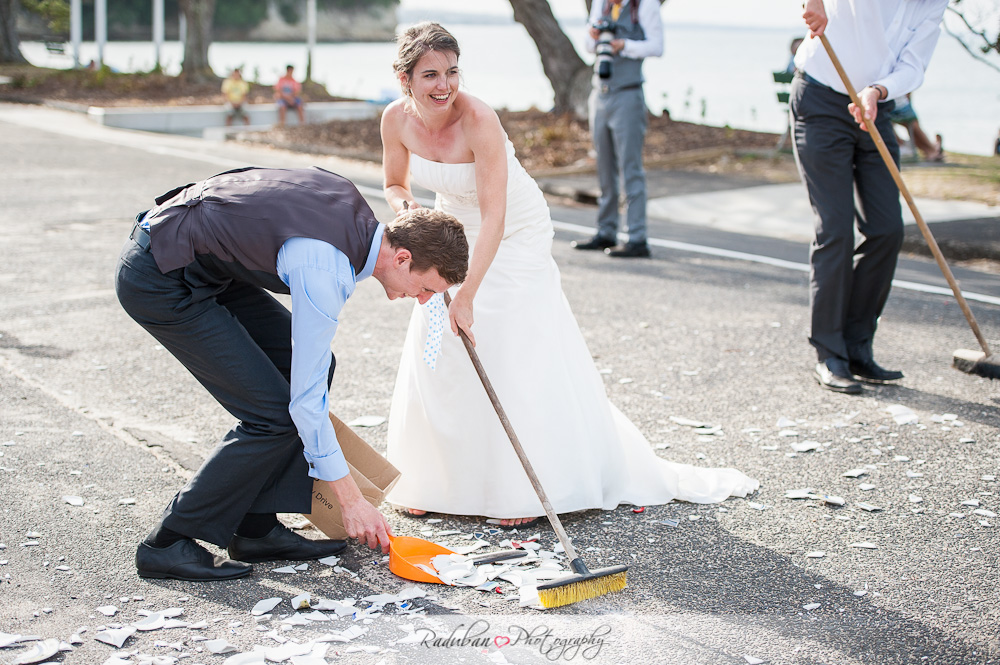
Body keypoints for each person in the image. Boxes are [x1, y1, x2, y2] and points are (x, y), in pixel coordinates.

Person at [380, 22, 758, 526]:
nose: (444, 85)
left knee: (508, 341)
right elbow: (392, 181)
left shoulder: (479, 120)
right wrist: (409, 214)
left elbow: (496, 216)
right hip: (450, 233)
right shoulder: (394, 121)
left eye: (451, 71)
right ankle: (437, 477)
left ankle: (523, 490)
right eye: (430, 75)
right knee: (434, 339)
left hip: (513, 231)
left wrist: (468, 293)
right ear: (405, 79)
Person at [114, 166, 469, 580]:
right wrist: (351, 500)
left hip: (210, 266)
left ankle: (255, 527)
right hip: (160, 275)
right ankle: (169, 542)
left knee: (306, 378)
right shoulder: (326, 270)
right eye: (426, 288)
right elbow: (306, 402)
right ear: (403, 257)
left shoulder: (351, 209)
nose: (424, 301)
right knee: (275, 415)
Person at [792, 0, 949, 394]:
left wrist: (878, 90)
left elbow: (913, 66)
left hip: (875, 108)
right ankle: (830, 353)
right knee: (836, 230)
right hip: (821, 101)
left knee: (887, 230)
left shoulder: (934, 4)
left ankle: (857, 345)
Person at [571, 0, 663, 258]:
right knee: (604, 167)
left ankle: (637, 238)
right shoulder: (601, 4)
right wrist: (593, 36)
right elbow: (589, 47)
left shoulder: (644, 5)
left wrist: (624, 45)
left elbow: (657, 47)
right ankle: (606, 231)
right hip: (600, 94)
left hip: (628, 94)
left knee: (630, 168)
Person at [888, 93, 943, 162]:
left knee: (911, 124)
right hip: (899, 105)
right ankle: (931, 149)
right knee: (911, 123)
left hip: (894, 106)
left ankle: (931, 150)